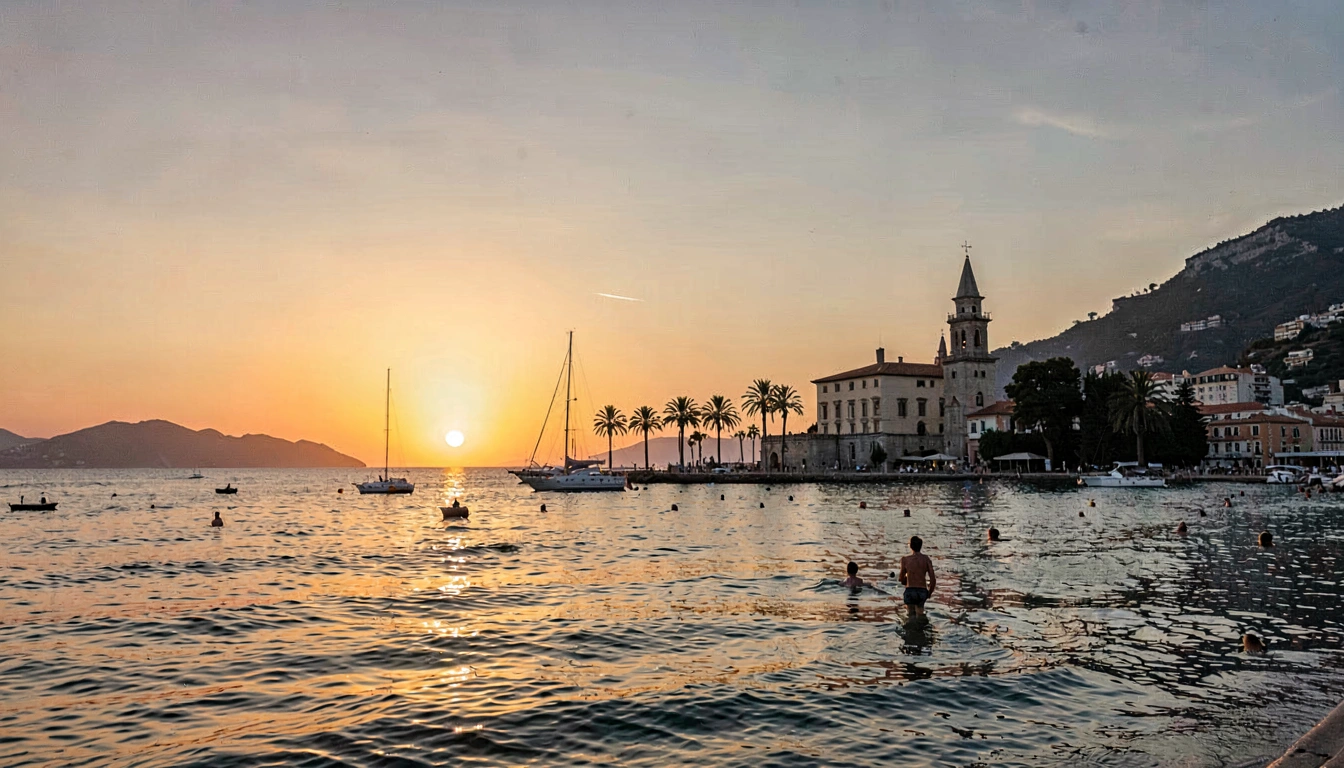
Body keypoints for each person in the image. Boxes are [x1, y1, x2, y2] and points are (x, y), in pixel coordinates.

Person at [898, 536, 936, 618]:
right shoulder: (926, 559)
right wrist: (929, 593)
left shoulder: (905, 560)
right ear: (921, 546)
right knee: (920, 614)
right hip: (922, 591)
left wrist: (906, 579)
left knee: (910, 616)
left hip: (910, 590)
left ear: (910, 546)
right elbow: (933, 579)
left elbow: (901, 579)